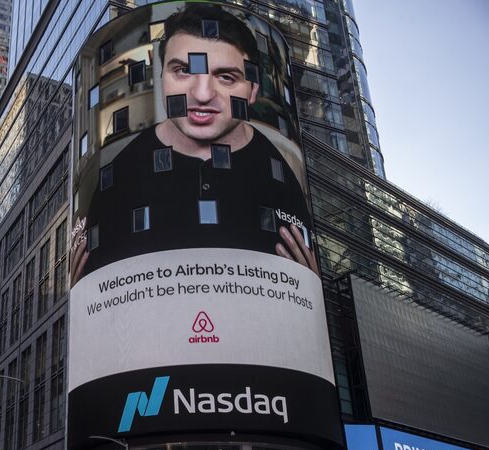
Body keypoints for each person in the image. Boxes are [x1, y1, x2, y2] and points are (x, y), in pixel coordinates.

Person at [71, 4, 316, 284]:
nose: (202, 94)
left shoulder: (282, 172)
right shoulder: (117, 173)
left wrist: (310, 284)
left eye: (225, 77)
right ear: (162, 79)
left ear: (252, 91)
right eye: (184, 71)